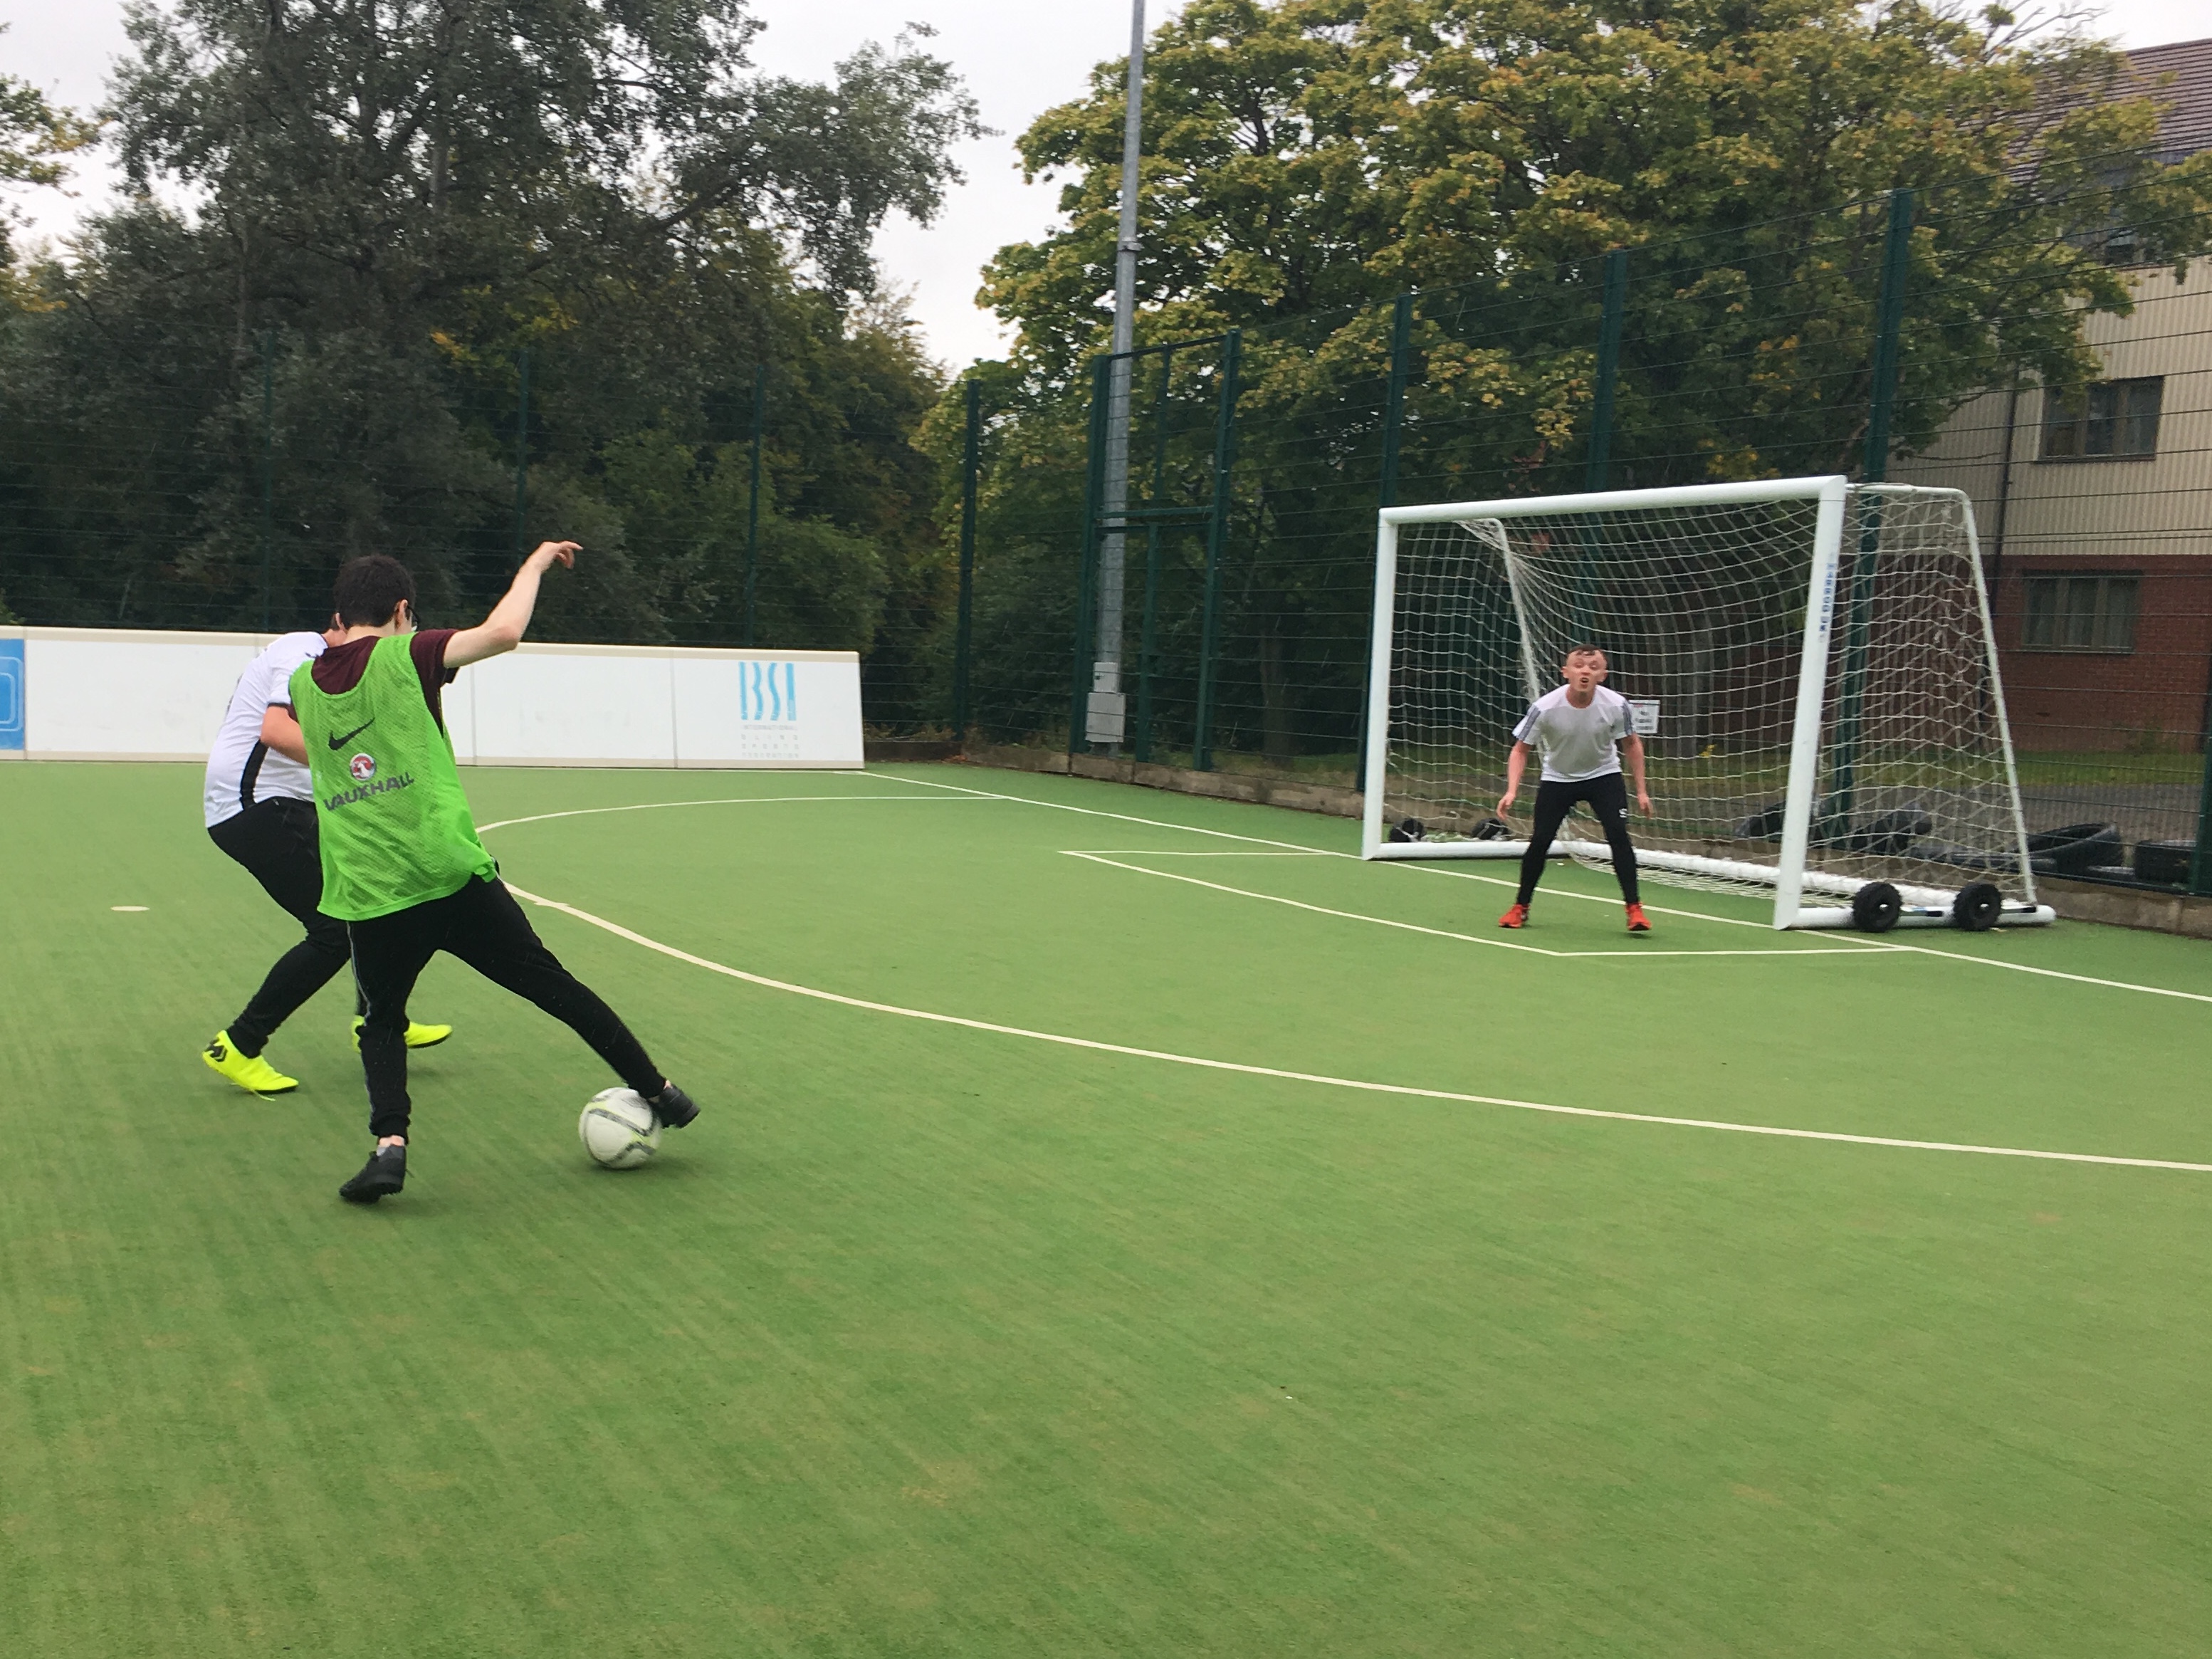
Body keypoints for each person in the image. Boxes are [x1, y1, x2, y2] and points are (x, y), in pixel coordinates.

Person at [287, 544, 697, 1203]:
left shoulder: (304, 684)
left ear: (340, 613)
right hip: (447, 874)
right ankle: (659, 1091)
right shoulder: (407, 653)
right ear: (401, 611)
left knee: (383, 1021)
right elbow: (502, 633)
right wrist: (533, 566)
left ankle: (389, 1148)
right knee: (551, 985)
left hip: (370, 890)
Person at [202, 624, 451, 1094]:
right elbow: (276, 731)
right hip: (254, 807)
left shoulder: (334, 667)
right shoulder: (305, 651)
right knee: (333, 929)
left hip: (288, 805)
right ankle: (239, 1044)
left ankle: (378, 1019)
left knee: (370, 899)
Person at [1495, 644, 1653, 933]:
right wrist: (1511, 790)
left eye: (1593, 667)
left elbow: (1631, 744)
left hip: (1604, 776)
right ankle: (1520, 906)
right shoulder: (1544, 708)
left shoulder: (1616, 705)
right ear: (1565, 672)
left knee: (1618, 835)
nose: (1586, 672)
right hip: (1559, 778)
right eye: (1579, 666)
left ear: (1603, 675)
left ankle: (1635, 910)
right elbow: (1520, 750)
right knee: (1540, 840)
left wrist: (1642, 791)